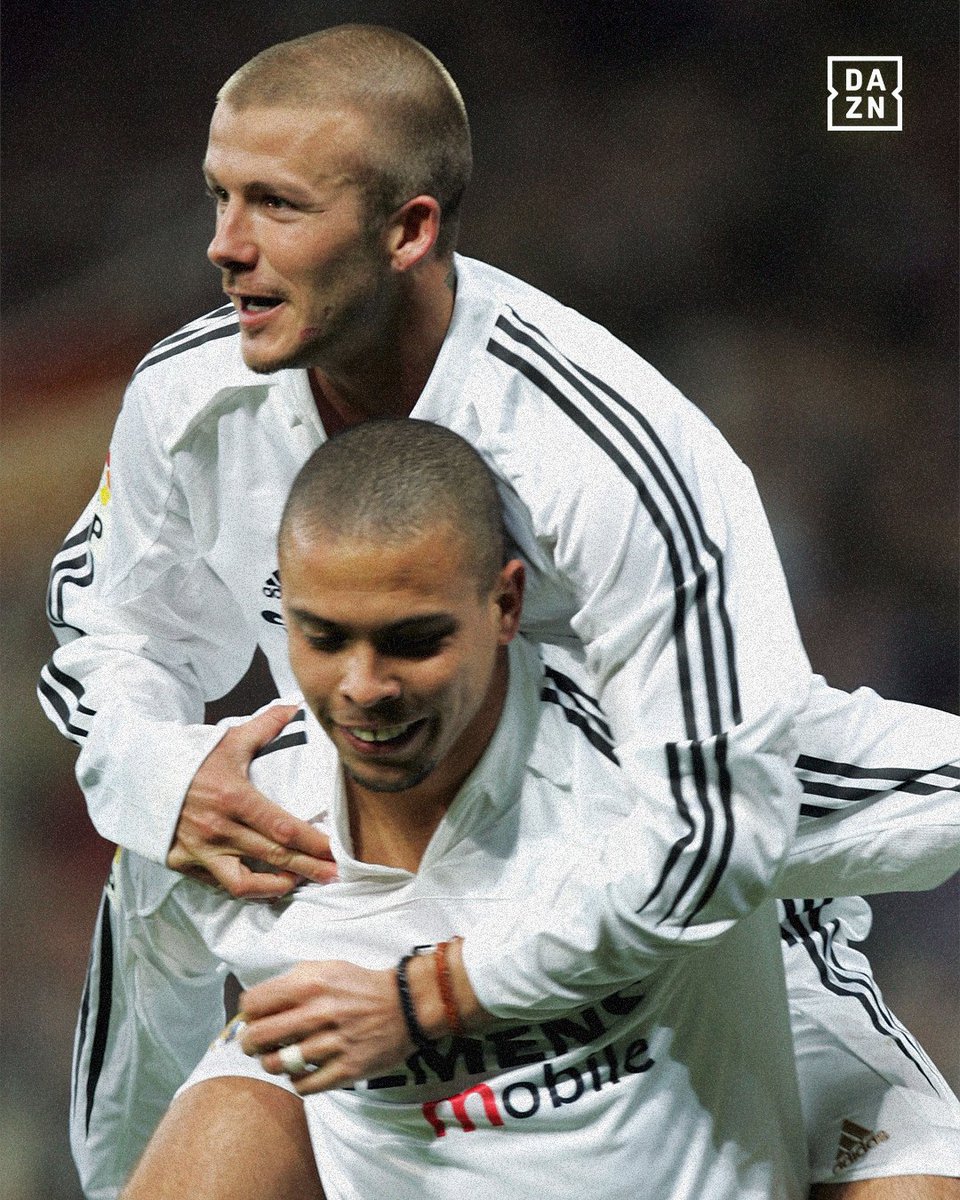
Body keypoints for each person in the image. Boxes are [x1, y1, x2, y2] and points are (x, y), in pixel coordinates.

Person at [38, 23, 960, 1200]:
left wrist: (440, 994)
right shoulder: (188, 400)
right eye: (218, 196)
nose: (222, 248)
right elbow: (107, 639)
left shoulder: (614, 460)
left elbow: (723, 821)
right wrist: (161, 775)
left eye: (275, 204)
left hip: (683, 942)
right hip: (373, 904)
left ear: (409, 228)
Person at [117, 420, 959, 1200]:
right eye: (325, 638)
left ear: (506, 605)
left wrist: (432, 996)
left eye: (414, 640)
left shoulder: (659, 761)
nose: (364, 688)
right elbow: (136, 1046)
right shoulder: (221, 815)